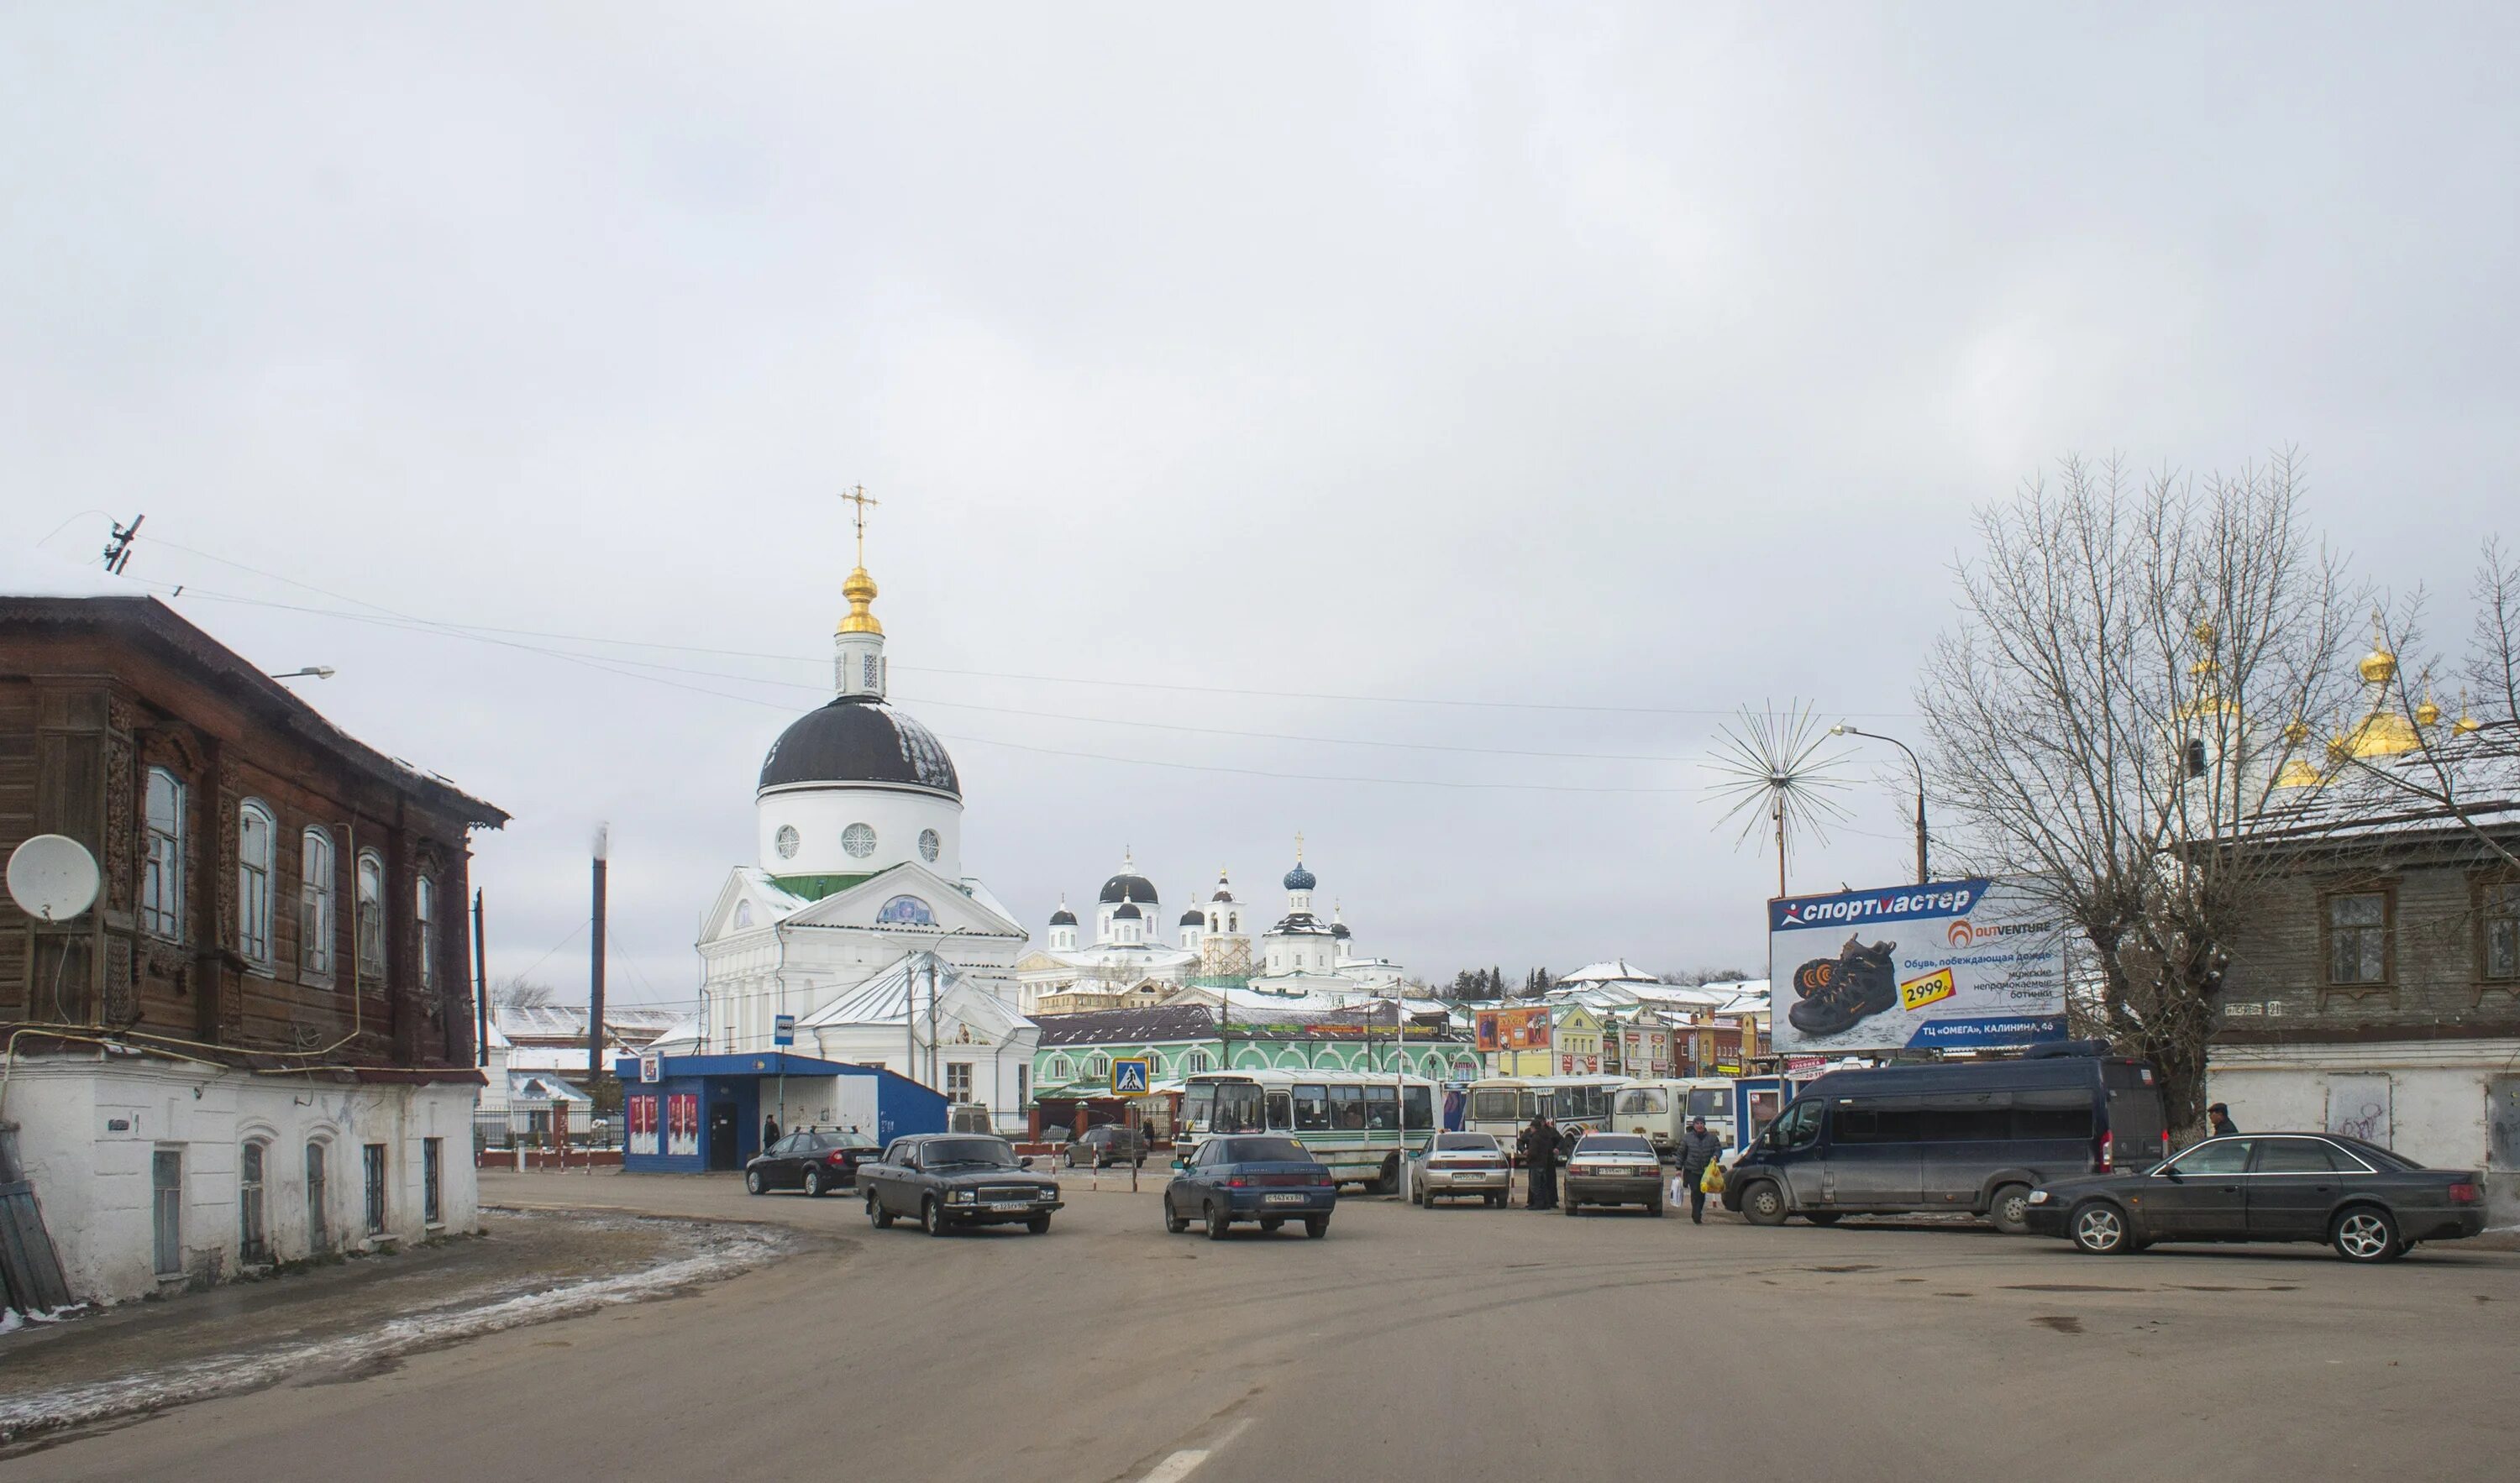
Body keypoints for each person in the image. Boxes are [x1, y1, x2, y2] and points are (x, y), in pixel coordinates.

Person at [1676, 1117, 1724, 1224]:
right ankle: (1696, 1214)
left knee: (1702, 1192)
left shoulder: (1712, 1138)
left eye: (1701, 1123)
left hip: (1706, 1171)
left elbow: (1718, 1149)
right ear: (1694, 1125)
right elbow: (1681, 1154)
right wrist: (1678, 1168)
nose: (1699, 1125)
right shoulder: (1687, 1138)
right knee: (1695, 1191)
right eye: (1697, 1123)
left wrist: (1715, 1156)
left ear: (1704, 1125)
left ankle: (1698, 1212)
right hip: (1692, 1170)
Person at [1518, 1115, 1562, 1210]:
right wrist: (1523, 1150)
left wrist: (1557, 1148)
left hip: (1547, 1161)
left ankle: (1549, 1201)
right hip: (1540, 1161)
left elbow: (1561, 1140)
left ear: (1544, 1122)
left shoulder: (1550, 1131)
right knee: (1538, 1183)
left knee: (1544, 1183)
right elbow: (1520, 1142)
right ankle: (1535, 1201)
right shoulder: (1529, 1132)